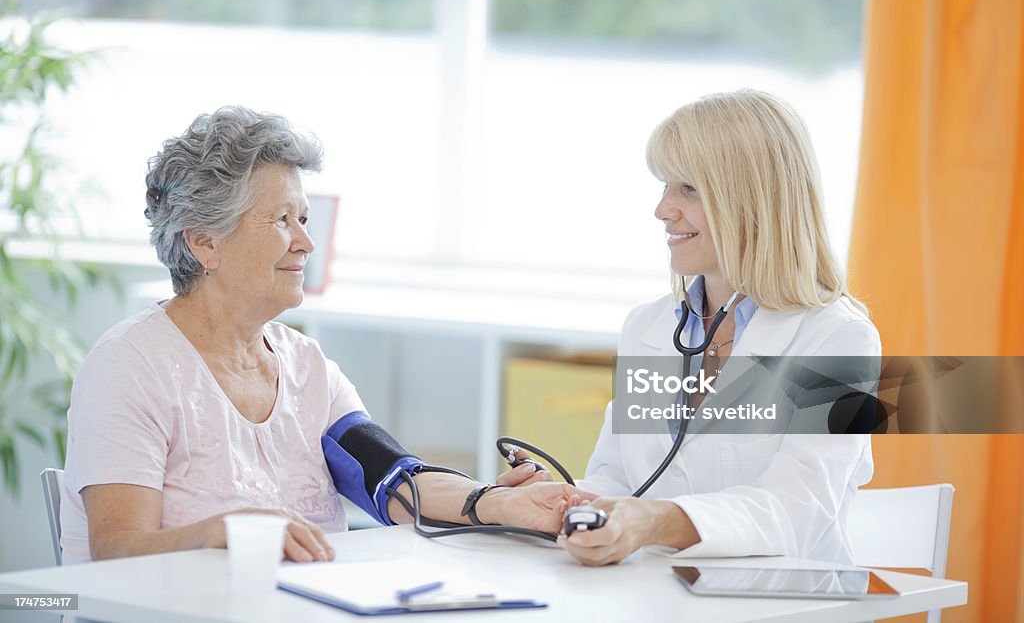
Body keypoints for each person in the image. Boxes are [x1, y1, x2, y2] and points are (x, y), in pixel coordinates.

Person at [60, 107, 588, 565]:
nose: (307, 241)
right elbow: (115, 550)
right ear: (204, 243)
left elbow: (393, 481)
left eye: (305, 218)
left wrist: (491, 503)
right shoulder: (130, 366)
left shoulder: (306, 366)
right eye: (282, 220)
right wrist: (218, 535)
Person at [500, 90, 880, 566]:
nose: (662, 210)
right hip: (654, 596)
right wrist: (564, 502)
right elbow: (620, 481)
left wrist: (655, 520)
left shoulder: (838, 339)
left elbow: (797, 510)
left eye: (689, 189)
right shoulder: (648, 326)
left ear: (755, 200)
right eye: (664, 186)